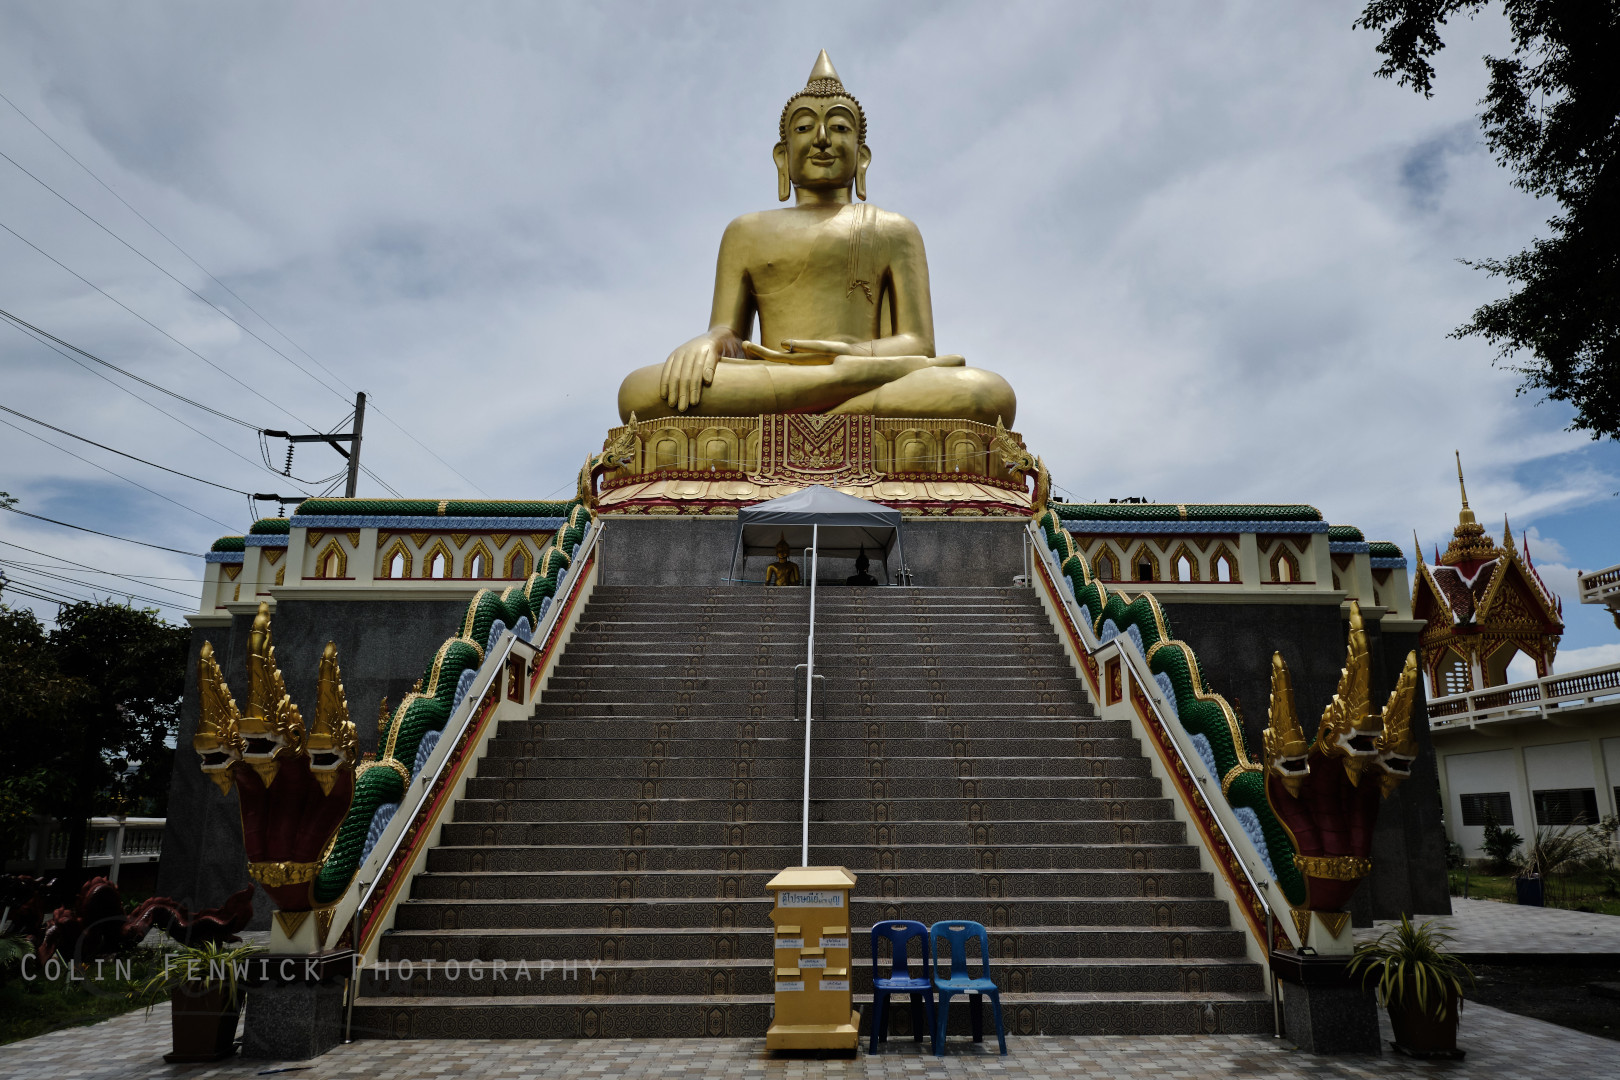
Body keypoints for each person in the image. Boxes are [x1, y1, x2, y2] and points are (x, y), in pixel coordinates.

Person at [617, 51, 1016, 426]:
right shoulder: (745, 231)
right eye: (804, 128)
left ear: (861, 157)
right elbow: (731, 334)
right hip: (777, 374)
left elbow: (919, 344)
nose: (822, 138)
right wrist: (708, 343)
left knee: (985, 393)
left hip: (857, 371)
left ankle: (826, 396)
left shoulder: (895, 230)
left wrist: (848, 356)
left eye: (839, 128)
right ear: (782, 155)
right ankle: (843, 398)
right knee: (640, 391)